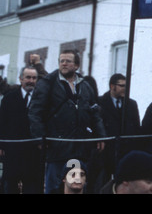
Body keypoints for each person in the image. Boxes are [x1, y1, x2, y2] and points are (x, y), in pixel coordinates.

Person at [28, 49, 106, 194]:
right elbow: (35, 112)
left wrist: (100, 134)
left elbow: (94, 111)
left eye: (68, 61)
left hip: (80, 147)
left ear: (76, 65)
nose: (63, 64)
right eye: (61, 61)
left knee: (77, 186)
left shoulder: (85, 85)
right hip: (56, 146)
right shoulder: (48, 83)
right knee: (55, 186)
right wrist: (40, 138)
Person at [0, 66, 44, 193]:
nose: (31, 81)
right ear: (21, 79)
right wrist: (1, 145)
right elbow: (2, 122)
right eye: (28, 77)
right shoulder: (9, 98)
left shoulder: (41, 99)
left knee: (32, 186)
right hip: (13, 151)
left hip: (33, 152)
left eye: (34, 78)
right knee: (10, 185)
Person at [98, 73, 141, 186]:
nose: (125, 89)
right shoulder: (100, 102)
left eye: (126, 86)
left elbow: (136, 128)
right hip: (105, 153)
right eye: (122, 86)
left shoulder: (131, 104)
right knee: (103, 184)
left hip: (125, 152)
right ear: (112, 86)